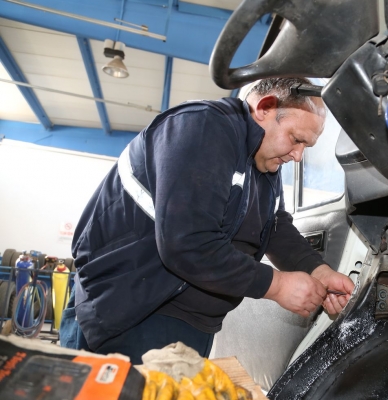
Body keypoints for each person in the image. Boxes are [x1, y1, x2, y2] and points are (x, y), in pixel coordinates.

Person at [60, 77, 354, 363]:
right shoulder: (204, 127)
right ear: (265, 107)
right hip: (132, 312)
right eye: (296, 139)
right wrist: (276, 285)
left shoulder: (263, 165)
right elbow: (187, 243)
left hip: (192, 323)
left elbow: (274, 227)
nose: (298, 156)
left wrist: (317, 270)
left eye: (306, 146)